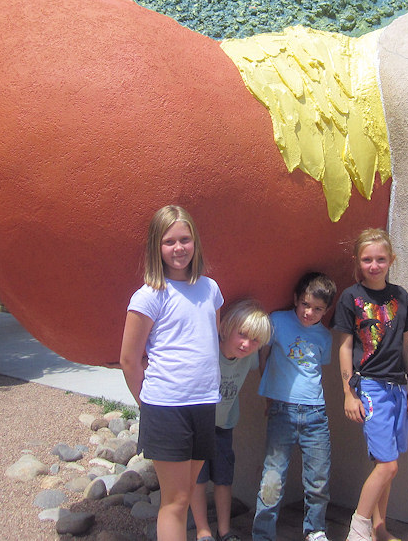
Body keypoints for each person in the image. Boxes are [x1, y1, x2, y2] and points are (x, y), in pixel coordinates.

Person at [119, 205, 223, 541]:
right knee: (175, 501)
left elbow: (212, 343)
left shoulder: (211, 289)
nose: (178, 248)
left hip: (203, 404)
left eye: (185, 239)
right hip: (166, 408)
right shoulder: (149, 295)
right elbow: (129, 360)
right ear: (156, 247)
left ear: (195, 242)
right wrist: (146, 404)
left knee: (190, 490)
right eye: (169, 242)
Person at [335, 229, 408, 541]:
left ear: (391, 261)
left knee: (391, 461)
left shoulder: (401, 297)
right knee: (388, 465)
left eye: (380, 259)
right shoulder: (351, 298)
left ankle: (379, 528)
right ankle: (359, 528)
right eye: (367, 259)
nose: (374, 265)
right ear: (358, 261)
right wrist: (348, 393)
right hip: (370, 387)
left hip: (398, 388)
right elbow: (344, 347)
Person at [252, 272, 337, 541]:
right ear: (295, 300)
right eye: (304, 304)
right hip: (281, 411)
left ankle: (315, 530)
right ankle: (263, 534)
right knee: (272, 479)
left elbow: (315, 370)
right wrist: (269, 395)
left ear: (326, 310)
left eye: (317, 309)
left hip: (315, 414)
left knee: (318, 480)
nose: (309, 312)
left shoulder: (324, 337)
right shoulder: (277, 321)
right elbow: (263, 358)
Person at [189, 299, 273, 541]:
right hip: (198, 425)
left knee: (224, 478)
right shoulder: (209, 350)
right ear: (226, 328)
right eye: (242, 335)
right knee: (198, 479)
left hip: (224, 424)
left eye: (255, 340)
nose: (247, 344)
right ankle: (203, 530)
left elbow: (263, 358)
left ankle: (224, 530)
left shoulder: (250, 356)